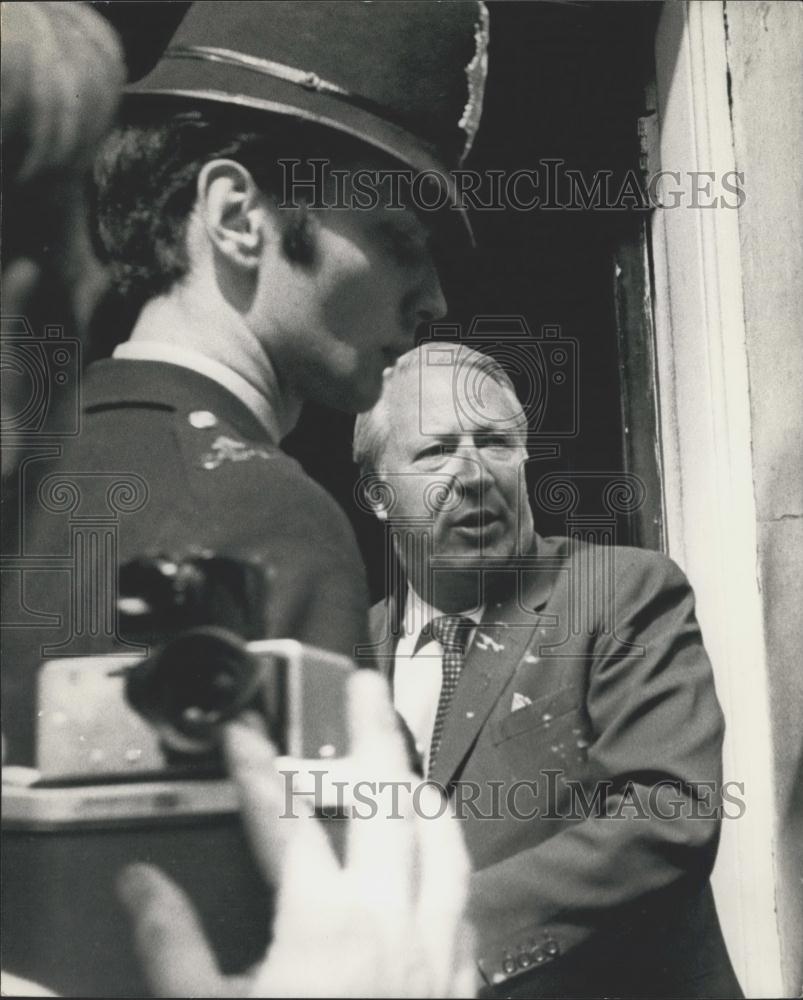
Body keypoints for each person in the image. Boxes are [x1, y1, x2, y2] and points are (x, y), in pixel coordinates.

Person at [1, 3, 485, 995]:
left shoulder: (33, 462)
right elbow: (320, 916)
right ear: (233, 214)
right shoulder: (275, 511)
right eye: (398, 236)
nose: (432, 299)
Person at [353, 343, 743, 998]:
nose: (474, 473)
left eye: (495, 442)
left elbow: (665, 818)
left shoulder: (620, 593)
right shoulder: (349, 650)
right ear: (378, 494)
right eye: (434, 451)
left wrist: (439, 935)